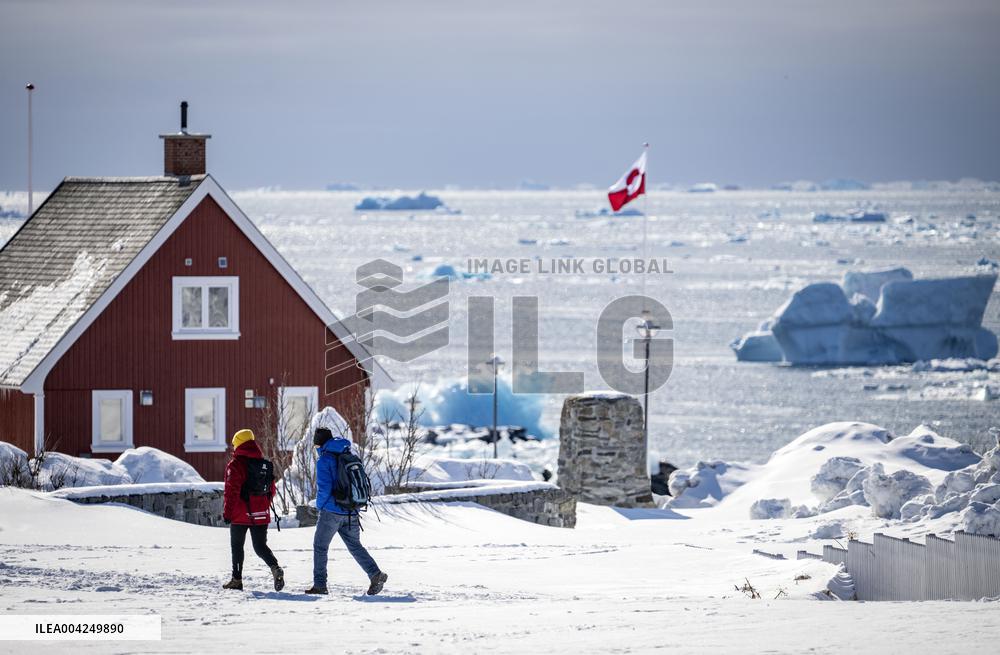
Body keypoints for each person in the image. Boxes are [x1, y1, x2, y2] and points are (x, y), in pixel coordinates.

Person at [305, 427, 388, 596]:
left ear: (319, 443)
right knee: (355, 546)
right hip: (351, 510)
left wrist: (319, 506)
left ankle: (320, 585)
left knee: (320, 547)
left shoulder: (325, 460)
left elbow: (324, 489)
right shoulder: (349, 455)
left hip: (331, 512)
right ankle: (375, 574)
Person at [222, 428, 284, 592]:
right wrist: (260, 505)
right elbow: (271, 490)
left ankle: (236, 580)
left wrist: (228, 514)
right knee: (260, 547)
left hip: (240, 514)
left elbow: (231, 491)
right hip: (260, 513)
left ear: (238, 445)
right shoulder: (264, 464)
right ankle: (275, 568)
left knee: (237, 546)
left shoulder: (235, 465)